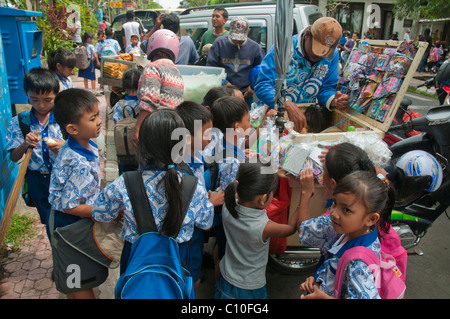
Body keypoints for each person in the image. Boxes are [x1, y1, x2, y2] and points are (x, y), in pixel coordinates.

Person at [92, 109, 214, 275]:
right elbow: (206, 223)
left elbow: (100, 213)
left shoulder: (125, 182)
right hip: (177, 258)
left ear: (141, 144)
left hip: (136, 258)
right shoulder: (194, 186)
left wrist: (123, 210)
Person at [298, 170, 395, 299]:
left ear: (371, 219)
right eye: (335, 203)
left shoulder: (358, 264)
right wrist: (317, 282)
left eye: (346, 210)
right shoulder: (351, 232)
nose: (334, 213)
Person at [214, 162, 300, 299]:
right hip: (249, 289)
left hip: (225, 279)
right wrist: (304, 196)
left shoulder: (228, 205)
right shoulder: (263, 226)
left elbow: (247, 178)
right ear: (264, 199)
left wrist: (270, 174)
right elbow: (291, 228)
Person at [49, 88, 102, 299]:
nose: (99, 121)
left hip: (74, 223)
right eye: (92, 118)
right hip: (68, 227)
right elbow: (69, 205)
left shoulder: (80, 145)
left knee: (76, 280)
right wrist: (104, 212)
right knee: (79, 282)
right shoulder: (78, 162)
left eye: (98, 115)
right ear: (72, 128)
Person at [255, 17, 350, 132]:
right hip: (273, 119)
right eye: (316, 50)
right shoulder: (284, 48)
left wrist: (334, 100)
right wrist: (286, 104)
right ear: (307, 35)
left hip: (306, 122)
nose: (319, 56)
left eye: (325, 52)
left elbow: (326, 88)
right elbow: (262, 85)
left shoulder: (333, 55)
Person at [6, 68, 64, 235]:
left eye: (48, 100)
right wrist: (25, 144)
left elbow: (85, 146)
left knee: (66, 219)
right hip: (38, 181)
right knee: (49, 222)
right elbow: (13, 156)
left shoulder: (64, 117)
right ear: (26, 94)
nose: (41, 106)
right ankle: (56, 252)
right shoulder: (20, 122)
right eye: (34, 100)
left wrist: (64, 146)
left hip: (63, 176)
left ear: (56, 94)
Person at [175, 101, 224, 289]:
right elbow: (200, 221)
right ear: (187, 137)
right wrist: (211, 203)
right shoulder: (181, 175)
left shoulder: (194, 155)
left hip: (191, 240)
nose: (210, 138)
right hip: (186, 240)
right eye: (206, 133)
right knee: (188, 281)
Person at [132, 29, 184, 148]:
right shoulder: (176, 71)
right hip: (175, 125)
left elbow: (149, 101)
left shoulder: (152, 67)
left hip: (157, 126)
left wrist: (137, 129)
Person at [207, 16, 265, 108]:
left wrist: (253, 87)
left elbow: (261, 71)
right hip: (223, 93)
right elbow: (211, 69)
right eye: (235, 39)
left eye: (240, 40)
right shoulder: (219, 44)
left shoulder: (255, 48)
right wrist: (226, 85)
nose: (237, 41)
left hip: (245, 94)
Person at [113, 68, 141, 175]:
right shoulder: (144, 105)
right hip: (139, 148)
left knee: (124, 175)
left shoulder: (119, 105)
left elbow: (117, 122)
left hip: (123, 149)